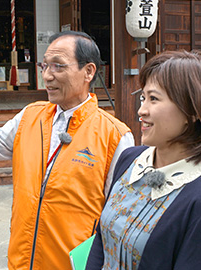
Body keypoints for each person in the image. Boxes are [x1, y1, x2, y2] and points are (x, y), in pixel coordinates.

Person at [0, 31, 134, 270]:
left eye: (58, 66)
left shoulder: (115, 135)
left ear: (89, 71)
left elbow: (120, 218)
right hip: (22, 260)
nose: (47, 76)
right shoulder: (30, 116)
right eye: (44, 66)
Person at [86, 50, 201, 270]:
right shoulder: (130, 159)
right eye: (143, 98)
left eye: (154, 99)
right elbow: (101, 237)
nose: (141, 110)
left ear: (192, 110)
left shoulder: (196, 195)